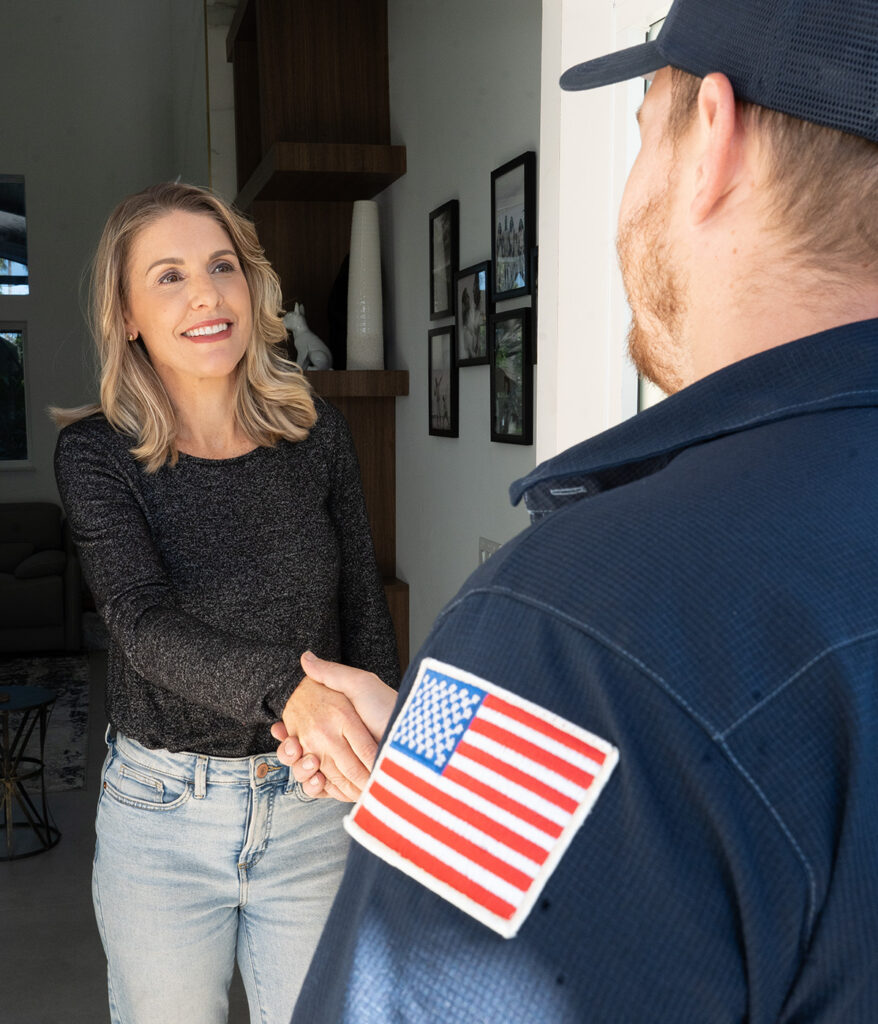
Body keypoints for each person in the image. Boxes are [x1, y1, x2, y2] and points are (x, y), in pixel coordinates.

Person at [274, 0, 878, 1020]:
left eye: (645, 127)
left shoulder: (571, 631)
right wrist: (433, 754)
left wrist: (486, 719)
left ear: (710, 141)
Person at [52, 181, 399, 1024]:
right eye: (168, 276)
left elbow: (362, 608)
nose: (206, 293)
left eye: (222, 266)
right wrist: (294, 691)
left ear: (253, 286)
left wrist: (374, 752)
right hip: (163, 818)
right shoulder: (97, 454)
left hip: (315, 802)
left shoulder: (316, 432)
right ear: (127, 314)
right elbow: (140, 622)